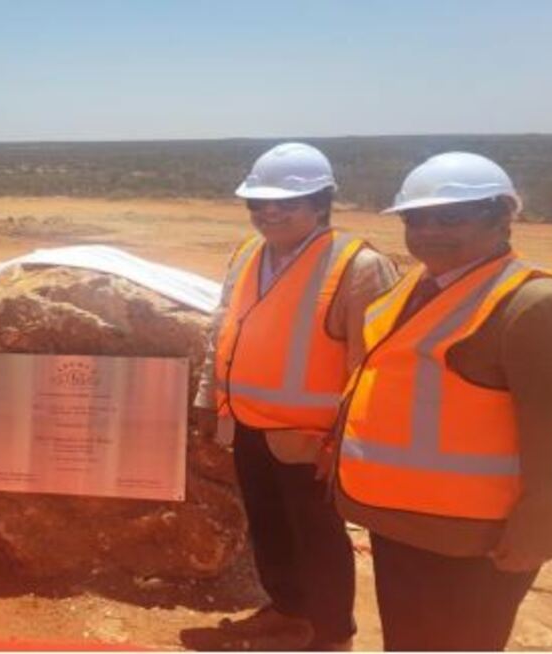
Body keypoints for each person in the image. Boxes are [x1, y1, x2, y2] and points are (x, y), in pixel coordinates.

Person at [329, 152, 552, 650]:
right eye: (415, 219)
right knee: (409, 640)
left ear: (501, 218)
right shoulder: (416, 288)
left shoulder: (537, 305)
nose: (428, 232)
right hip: (400, 519)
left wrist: (544, 531)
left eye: (450, 218)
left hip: (475, 539)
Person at [191, 143, 397, 650]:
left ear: (321, 201)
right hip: (248, 425)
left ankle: (329, 634)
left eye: (287, 201)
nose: (270, 212)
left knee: (319, 539)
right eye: (258, 204)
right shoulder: (247, 255)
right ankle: (286, 611)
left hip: (312, 440)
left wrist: (348, 441)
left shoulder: (358, 265)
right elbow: (224, 331)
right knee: (270, 529)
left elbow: (373, 365)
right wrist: (205, 401)